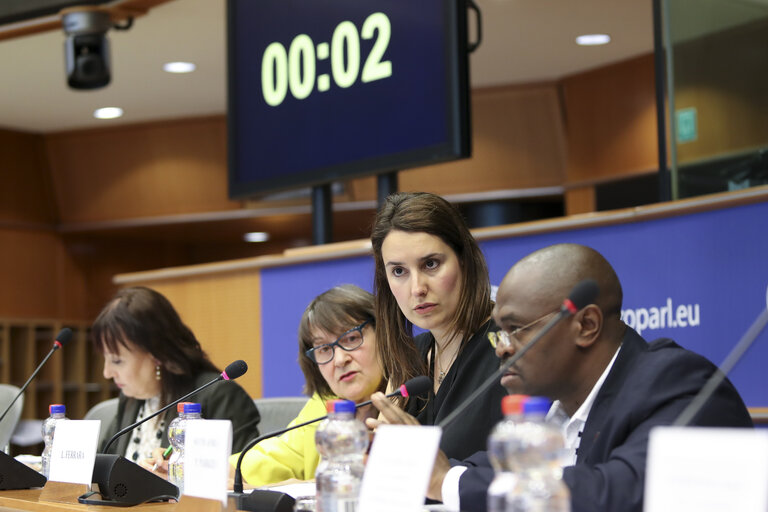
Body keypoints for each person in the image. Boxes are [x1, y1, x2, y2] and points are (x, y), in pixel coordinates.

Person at [370, 243, 753, 512]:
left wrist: (446, 481)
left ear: (586, 325)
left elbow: (623, 491)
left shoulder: (677, 383)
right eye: (499, 333)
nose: (502, 348)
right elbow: (488, 468)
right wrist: (424, 467)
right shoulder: (558, 410)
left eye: (516, 329)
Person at [370, 191, 506, 460]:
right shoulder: (409, 357)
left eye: (431, 264)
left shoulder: (509, 346)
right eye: (399, 272)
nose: (417, 289)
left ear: (464, 261)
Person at [92, 286, 260, 470]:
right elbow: (101, 470)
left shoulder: (220, 396)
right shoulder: (131, 400)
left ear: (156, 355)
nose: (106, 373)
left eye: (117, 361)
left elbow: (240, 477)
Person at [233, 284, 384, 485]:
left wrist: (302, 485)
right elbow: (273, 457)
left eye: (351, 338)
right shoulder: (325, 405)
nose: (339, 360)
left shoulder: (416, 398)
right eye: (323, 349)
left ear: (384, 333)